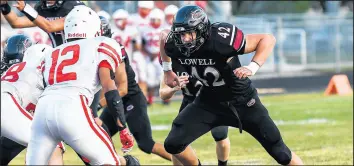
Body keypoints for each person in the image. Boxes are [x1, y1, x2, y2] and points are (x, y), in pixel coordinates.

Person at [160, 5, 304, 165]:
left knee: (281, 152)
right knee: (173, 143)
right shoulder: (175, 42)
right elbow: (164, 38)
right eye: (181, 34)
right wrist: (167, 71)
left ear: (201, 30)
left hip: (242, 101)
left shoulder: (220, 39)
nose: (184, 39)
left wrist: (252, 67)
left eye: (189, 33)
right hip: (209, 101)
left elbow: (267, 38)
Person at [25, 6, 138, 165]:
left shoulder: (51, 53)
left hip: (42, 112)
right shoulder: (101, 44)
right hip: (73, 108)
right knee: (110, 162)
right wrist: (122, 128)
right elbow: (110, 88)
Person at [96, 15, 172, 162]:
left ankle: (186, 162)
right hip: (114, 101)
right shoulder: (93, 51)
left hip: (130, 99)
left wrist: (97, 105)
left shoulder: (114, 49)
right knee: (99, 138)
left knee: (146, 144)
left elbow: (122, 89)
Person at [159, 54, 233, 166]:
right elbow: (163, 94)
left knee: (220, 135)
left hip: (212, 102)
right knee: (176, 143)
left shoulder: (204, 54)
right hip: (190, 102)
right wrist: (174, 88)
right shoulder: (171, 63)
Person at [0, 34, 64, 165]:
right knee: (50, 142)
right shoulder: (40, 72)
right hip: (6, 106)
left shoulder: (15, 69)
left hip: (9, 108)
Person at [1, 0, 85, 47]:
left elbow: (50, 26)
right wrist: (4, 5)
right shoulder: (42, 8)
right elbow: (16, 22)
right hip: (58, 55)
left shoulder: (74, 6)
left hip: (79, 54)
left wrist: (26, 9)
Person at [140, 8, 164, 105]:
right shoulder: (144, 30)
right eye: (153, 19)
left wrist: (160, 53)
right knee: (150, 81)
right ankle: (150, 99)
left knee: (163, 79)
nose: (154, 21)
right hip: (149, 57)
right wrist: (149, 53)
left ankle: (166, 99)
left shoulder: (165, 29)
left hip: (162, 57)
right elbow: (140, 45)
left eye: (157, 19)